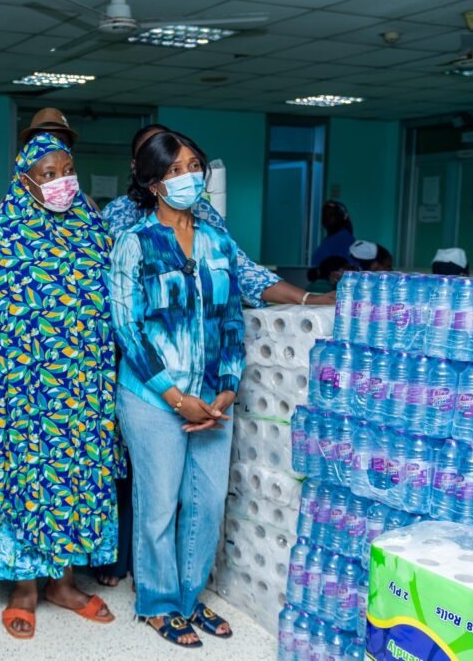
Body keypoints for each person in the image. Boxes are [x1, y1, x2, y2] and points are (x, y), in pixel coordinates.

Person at [0, 133, 123, 640]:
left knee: (75, 479)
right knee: (25, 480)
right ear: (25, 181)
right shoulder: (2, 236)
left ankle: (64, 584)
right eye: (48, 174)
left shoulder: (93, 231)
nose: (61, 182)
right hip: (21, 393)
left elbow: (113, 305)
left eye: (67, 170)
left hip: (83, 390)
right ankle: (25, 589)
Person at [110, 130, 244, 648]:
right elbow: (128, 329)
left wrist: (226, 388)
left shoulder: (218, 242)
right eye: (174, 170)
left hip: (212, 398)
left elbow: (232, 319)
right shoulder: (135, 243)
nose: (188, 177)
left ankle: (190, 598)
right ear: (152, 183)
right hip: (152, 398)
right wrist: (176, 398)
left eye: (193, 166)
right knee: (160, 504)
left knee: (207, 505)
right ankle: (159, 602)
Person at [103, 124, 334, 308]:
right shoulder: (118, 216)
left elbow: (241, 269)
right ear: (138, 167)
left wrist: (307, 298)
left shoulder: (203, 214)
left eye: (192, 165)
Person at [312, 199, 355, 268]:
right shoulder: (327, 240)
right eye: (324, 214)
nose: (327, 218)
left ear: (342, 217)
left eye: (331, 214)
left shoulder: (345, 239)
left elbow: (349, 268)